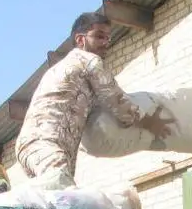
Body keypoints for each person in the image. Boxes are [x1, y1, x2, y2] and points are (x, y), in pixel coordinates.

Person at [15, 12, 174, 190]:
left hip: (33, 145)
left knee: (52, 196)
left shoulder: (61, 69)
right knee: (64, 193)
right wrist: (149, 122)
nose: (105, 42)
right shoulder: (88, 61)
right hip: (47, 144)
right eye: (99, 36)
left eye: (107, 37)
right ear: (80, 39)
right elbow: (117, 101)